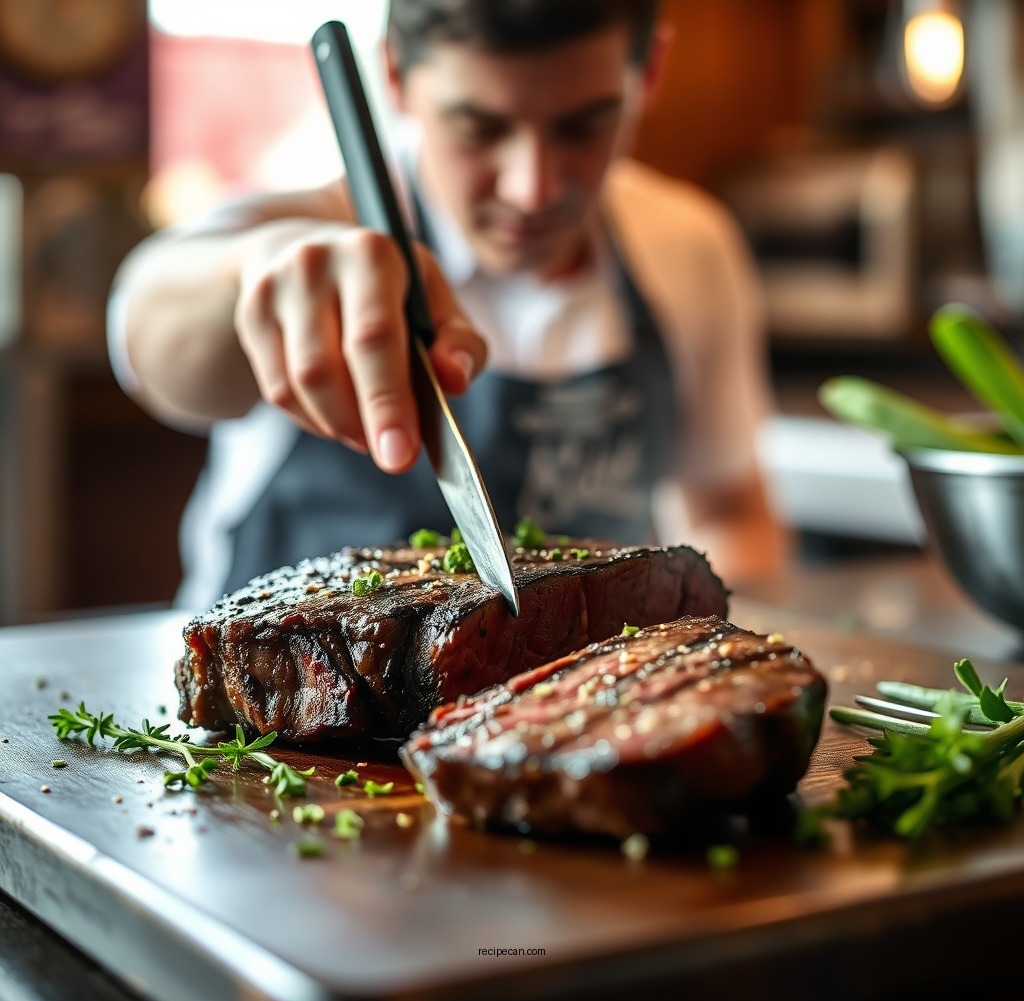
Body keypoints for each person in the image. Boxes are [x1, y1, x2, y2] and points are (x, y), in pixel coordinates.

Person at [109, 0, 787, 611]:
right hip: (269, 745)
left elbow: (727, 508)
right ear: (396, 76)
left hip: (564, 722)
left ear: (652, 72)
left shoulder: (689, 247)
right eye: (479, 128)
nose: (532, 188)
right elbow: (150, 327)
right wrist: (249, 273)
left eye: (584, 127)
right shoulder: (321, 221)